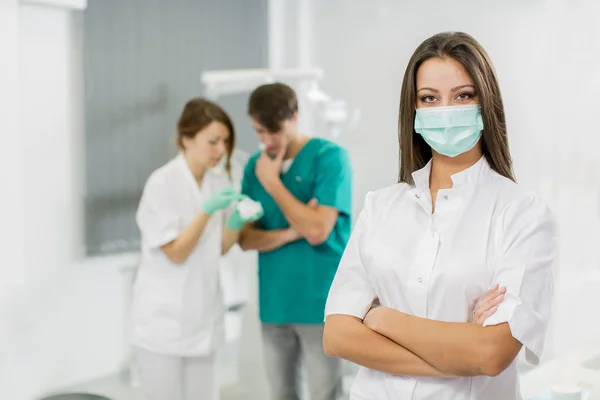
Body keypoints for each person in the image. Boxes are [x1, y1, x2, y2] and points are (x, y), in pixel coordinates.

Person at [323, 31, 557, 400]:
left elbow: (491, 353)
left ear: (486, 102)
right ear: (413, 110)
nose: (445, 110)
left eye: (463, 95)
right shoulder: (380, 208)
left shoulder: (521, 213)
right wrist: (456, 353)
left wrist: (380, 318)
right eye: (429, 98)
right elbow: (337, 336)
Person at [132, 98, 262, 400]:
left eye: (225, 141)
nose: (221, 150)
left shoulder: (216, 180)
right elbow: (176, 252)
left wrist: (237, 222)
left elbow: (216, 248)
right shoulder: (162, 183)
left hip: (203, 317)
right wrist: (206, 212)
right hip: (164, 323)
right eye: (212, 141)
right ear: (186, 139)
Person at [239, 82, 352, 400]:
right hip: (275, 304)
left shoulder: (330, 158)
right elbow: (245, 238)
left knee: (325, 394)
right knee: (281, 394)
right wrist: (294, 229)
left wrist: (273, 184)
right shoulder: (253, 166)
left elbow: (318, 231)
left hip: (320, 304)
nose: (266, 140)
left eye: (273, 131)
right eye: (259, 131)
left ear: (295, 116)